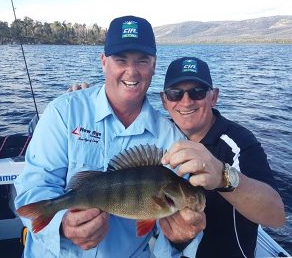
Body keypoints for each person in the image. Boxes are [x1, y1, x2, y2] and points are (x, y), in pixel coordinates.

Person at [14, 16, 205, 258]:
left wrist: (180, 240)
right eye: (120, 60)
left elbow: (169, 239)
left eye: (142, 61)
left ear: (154, 64)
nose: (132, 71)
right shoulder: (64, 112)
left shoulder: (171, 138)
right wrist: (61, 224)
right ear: (104, 62)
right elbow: (34, 183)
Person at [159, 57, 285, 257]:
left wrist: (223, 176)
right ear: (164, 101)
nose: (186, 101)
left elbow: (276, 215)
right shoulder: (159, 137)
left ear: (214, 96)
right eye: (175, 93)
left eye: (197, 92)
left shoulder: (238, 142)